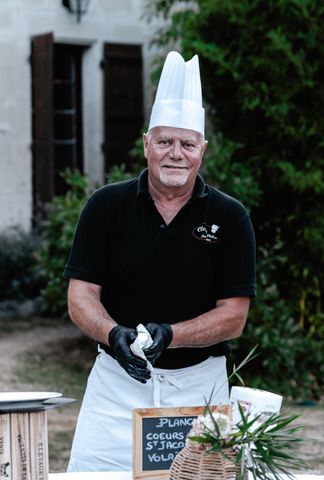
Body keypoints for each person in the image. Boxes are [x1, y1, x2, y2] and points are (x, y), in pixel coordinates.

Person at [64, 51, 256, 471]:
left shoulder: (229, 216)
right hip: (116, 387)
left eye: (187, 144)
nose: (176, 154)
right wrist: (112, 333)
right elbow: (80, 295)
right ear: (146, 143)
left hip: (198, 391)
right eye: (165, 141)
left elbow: (234, 316)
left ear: (202, 149)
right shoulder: (105, 206)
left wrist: (171, 334)